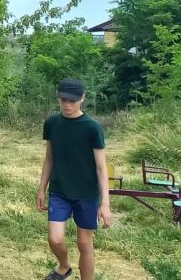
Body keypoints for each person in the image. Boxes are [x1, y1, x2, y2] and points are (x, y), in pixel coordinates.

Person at [36, 78, 111, 280]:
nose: (67, 105)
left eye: (72, 100)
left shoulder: (92, 127)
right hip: (60, 190)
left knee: (84, 243)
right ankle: (64, 266)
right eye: (63, 100)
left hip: (86, 193)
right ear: (58, 99)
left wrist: (105, 203)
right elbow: (49, 158)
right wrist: (42, 188)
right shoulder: (52, 123)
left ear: (82, 98)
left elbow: (101, 168)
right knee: (55, 238)